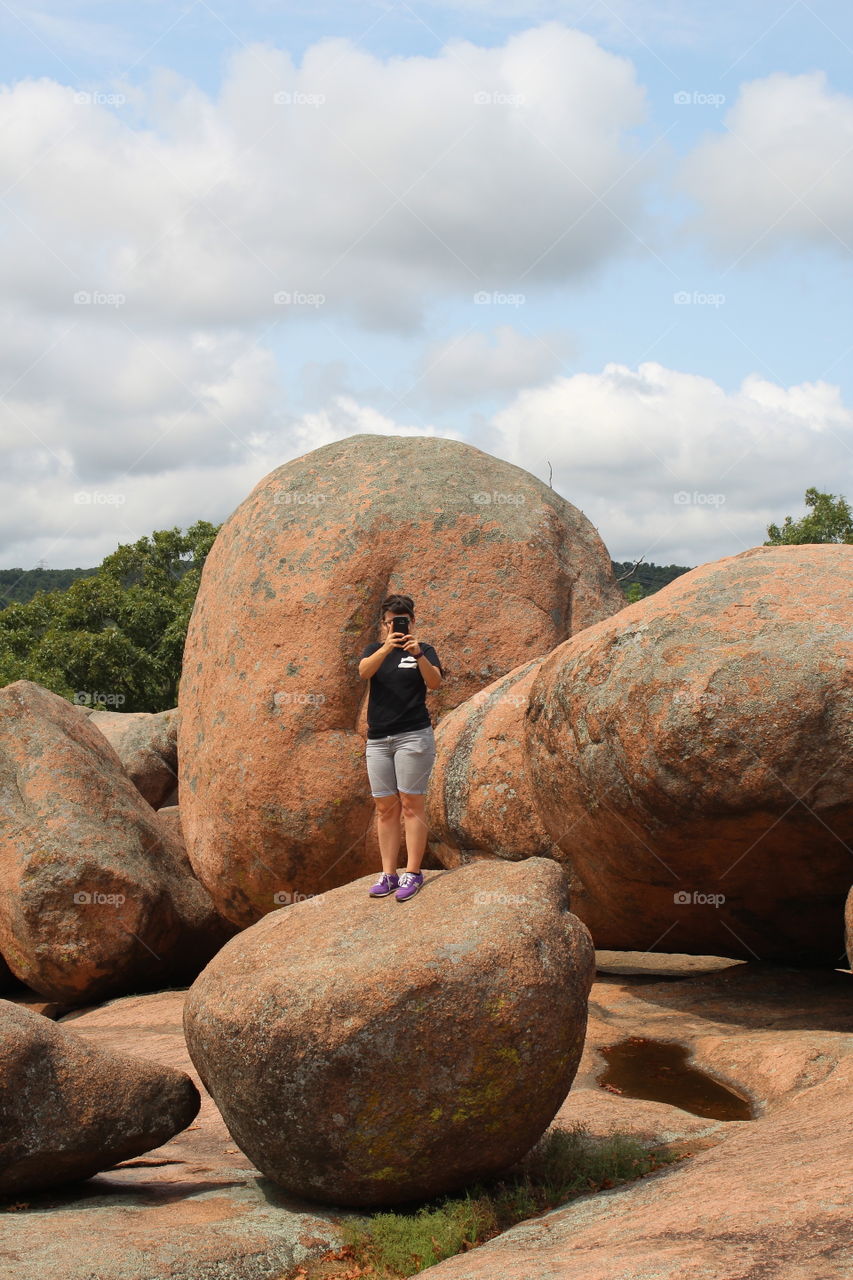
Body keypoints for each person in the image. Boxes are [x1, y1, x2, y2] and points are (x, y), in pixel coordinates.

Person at [358, 593, 444, 901]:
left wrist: (418, 654)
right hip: (378, 739)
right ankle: (389, 874)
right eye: (392, 621)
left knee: (411, 803)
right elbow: (364, 672)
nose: (398, 626)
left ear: (413, 621)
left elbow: (435, 683)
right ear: (383, 623)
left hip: (413, 736)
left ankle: (413, 872)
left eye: (403, 620)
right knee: (385, 808)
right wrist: (386, 648)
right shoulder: (374, 650)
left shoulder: (425, 650)